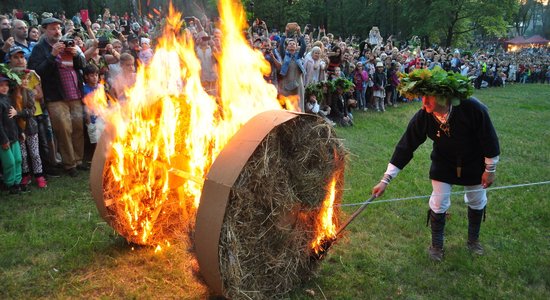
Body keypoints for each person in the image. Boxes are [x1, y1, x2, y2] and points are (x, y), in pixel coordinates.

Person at [372, 67, 500, 262]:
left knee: (476, 200)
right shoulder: (424, 116)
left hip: (474, 162)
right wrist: (385, 180)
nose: (424, 103)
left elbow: (489, 139)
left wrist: (490, 169)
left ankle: (473, 240)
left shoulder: (472, 108)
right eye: (422, 97)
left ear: (444, 95)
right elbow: (405, 147)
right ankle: (437, 246)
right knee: (439, 202)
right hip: (444, 163)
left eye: (429, 97)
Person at [28, 17, 88, 177]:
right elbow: (37, 72)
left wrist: (76, 55)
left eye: (59, 28)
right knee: (64, 130)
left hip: (74, 93)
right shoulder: (39, 49)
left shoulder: (68, 43)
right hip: (55, 96)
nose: (57, 31)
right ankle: (70, 165)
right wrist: (52, 55)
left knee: (77, 128)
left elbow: (83, 65)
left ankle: (79, 160)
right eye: (53, 28)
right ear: (44, 30)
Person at [0, 74, 26, 194]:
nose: (4, 88)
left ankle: (18, 182)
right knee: (9, 162)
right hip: (4, 139)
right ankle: (9, 184)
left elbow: (14, 118)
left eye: (6, 85)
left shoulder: (8, 99)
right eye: (1, 86)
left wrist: (20, 132)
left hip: (14, 136)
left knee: (18, 159)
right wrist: (4, 140)